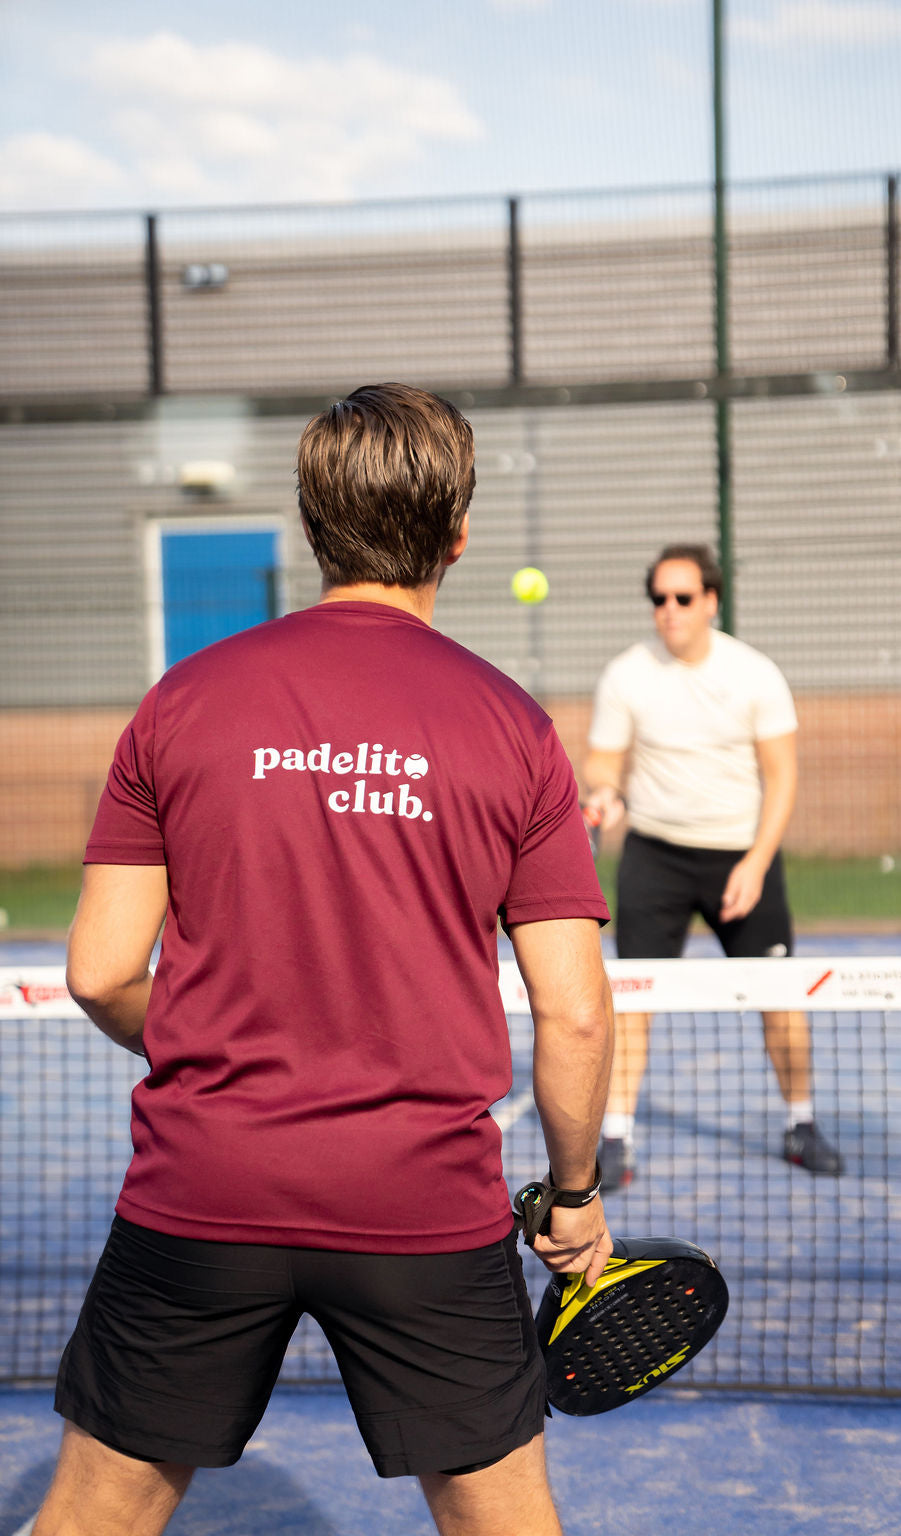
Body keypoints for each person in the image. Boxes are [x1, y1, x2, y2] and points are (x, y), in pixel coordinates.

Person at [34, 384, 614, 1536]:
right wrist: (578, 1198)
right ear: (458, 533)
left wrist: (224, 1047)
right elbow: (578, 1015)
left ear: (311, 525)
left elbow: (100, 970)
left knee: (91, 1519)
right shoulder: (514, 728)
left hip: (204, 1190)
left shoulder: (180, 701)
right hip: (424, 1205)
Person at [583, 542, 843, 1190]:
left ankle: (801, 1123)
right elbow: (604, 761)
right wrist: (605, 792)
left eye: (683, 598)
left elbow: (781, 778)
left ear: (711, 602)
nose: (669, 611)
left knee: (779, 996)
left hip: (739, 854)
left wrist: (755, 862)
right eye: (659, 599)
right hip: (654, 855)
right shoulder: (626, 675)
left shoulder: (754, 674)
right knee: (633, 998)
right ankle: (615, 1138)